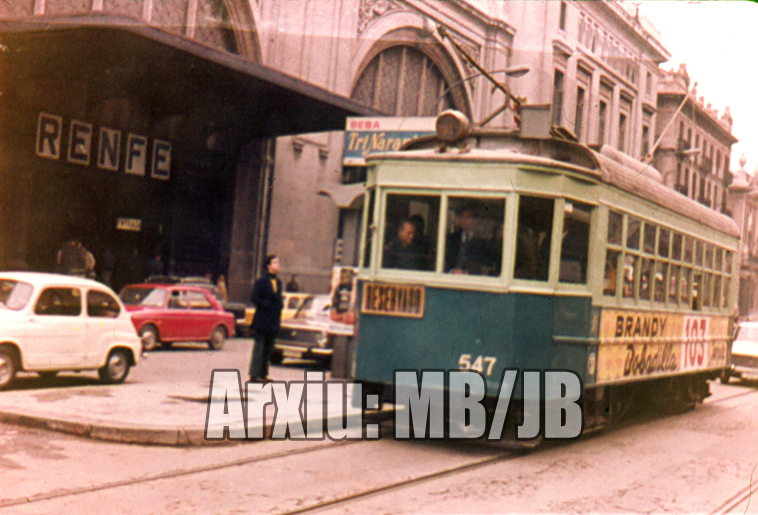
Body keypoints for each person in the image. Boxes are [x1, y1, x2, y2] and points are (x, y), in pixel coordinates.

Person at [248, 255, 283, 382]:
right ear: (268, 266)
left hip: (273, 321)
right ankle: (254, 374)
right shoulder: (261, 281)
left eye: (278, 262)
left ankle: (263, 374)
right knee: (260, 347)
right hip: (262, 320)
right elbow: (254, 298)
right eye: (275, 262)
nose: (278, 265)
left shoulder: (278, 282)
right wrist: (267, 304)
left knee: (268, 348)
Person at [444, 206, 488, 275]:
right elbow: (445, 259)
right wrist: (451, 271)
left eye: (468, 217)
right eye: (462, 217)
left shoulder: (481, 242)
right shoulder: (452, 238)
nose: (464, 220)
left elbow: (480, 264)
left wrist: (465, 273)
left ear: (475, 220)